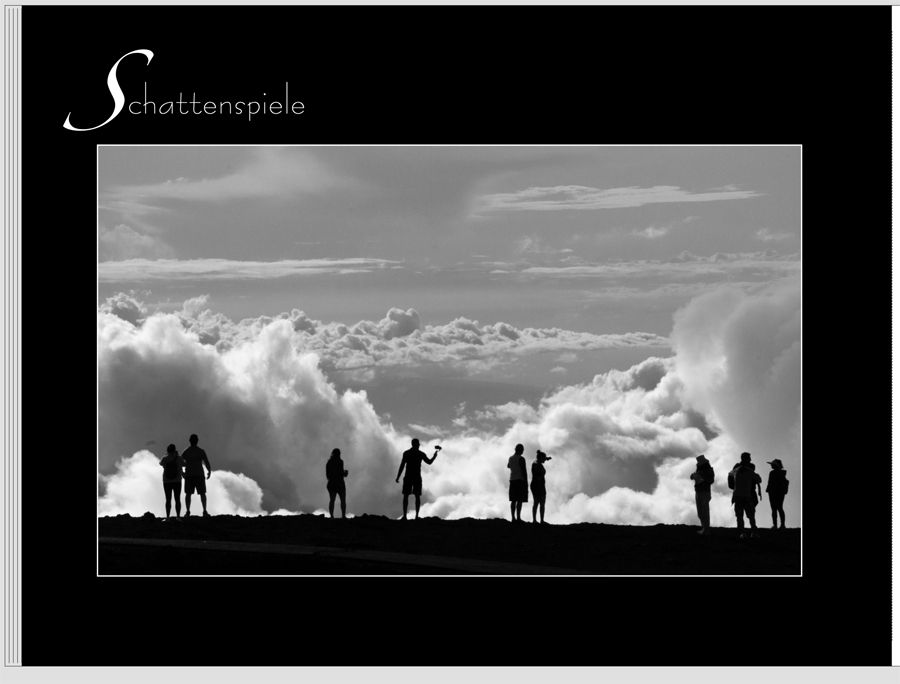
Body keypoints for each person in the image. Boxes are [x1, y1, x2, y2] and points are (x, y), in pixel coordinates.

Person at [395, 439, 440, 520]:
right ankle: (416, 516)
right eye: (418, 444)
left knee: (407, 495)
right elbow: (429, 462)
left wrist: (398, 476)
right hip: (416, 477)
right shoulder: (420, 454)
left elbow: (402, 465)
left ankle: (405, 516)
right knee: (416, 496)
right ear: (415, 444)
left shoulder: (407, 453)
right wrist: (434, 456)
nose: (419, 445)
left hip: (408, 476)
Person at [730, 452, 761, 538]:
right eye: (749, 458)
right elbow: (759, 480)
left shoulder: (736, 470)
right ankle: (754, 532)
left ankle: (743, 533)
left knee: (739, 515)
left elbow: (730, 476)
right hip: (747, 495)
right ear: (746, 459)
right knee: (751, 515)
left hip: (737, 495)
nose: (750, 460)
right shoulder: (750, 471)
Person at [181, 433, 212, 518]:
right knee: (202, 493)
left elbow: (179, 462)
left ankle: (188, 512)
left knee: (188, 494)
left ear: (190, 441)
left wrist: (182, 473)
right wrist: (209, 471)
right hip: (198, 475)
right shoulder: (200, 451)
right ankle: (204, 511)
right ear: (197, 441)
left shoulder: (186, 451)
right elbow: (206, 461)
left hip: (190, 475)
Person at [689, 454, 714, 535]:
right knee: (700, 512)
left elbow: (711, 480)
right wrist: (693, 475)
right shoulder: (699, 469)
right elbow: (692, 477)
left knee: (704, 511)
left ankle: (706, 529)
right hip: (698, 491)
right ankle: (704, 528)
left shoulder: (709, 470)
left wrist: (702, 475)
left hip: (705, 492)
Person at [159, 444, 185, 520]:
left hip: (167, 481)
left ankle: (167, 517)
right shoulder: (179, 458)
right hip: (177, 481)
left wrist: (166, 455)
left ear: (167, 450)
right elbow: (184, 464)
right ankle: (178, 517)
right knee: (177, 499)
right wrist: (177, 455)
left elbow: (160, 463)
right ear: (174, 450)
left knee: (168, 499)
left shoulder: (165, 458)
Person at [765, 459, 789, 529]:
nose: (771, 465)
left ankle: (775, 525)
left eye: (772, 464)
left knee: (774, 509)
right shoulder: (782, 473)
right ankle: (782, 525)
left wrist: (768, 490)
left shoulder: (772, 473)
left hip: (773, 492)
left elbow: (770, 483)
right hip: (780, 493)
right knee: (779, 508)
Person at [507, 444, 528, 523]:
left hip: (512, 480)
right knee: (519, 500)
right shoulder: (521, 459)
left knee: (513, 500)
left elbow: (508, 466)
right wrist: (526, 482)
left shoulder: (510, 458)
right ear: (521, 450)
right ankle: (518, 518)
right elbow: (524, 471)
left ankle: (513, 518)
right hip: (520, 480)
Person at [326, 448, 348, 519]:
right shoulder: (340, 462)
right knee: (343, 500)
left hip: (331, 483)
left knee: (332, 500)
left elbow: (327, 475)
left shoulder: (329, 462)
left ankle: (331, 516)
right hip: (340, 484)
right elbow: (341, 472)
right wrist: (345, 473)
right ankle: (343, 516)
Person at [530, 450, 551, 524]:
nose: (545, 460)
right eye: (544, 458)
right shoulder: (536, 464)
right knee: (538, 502)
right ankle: (537, 520)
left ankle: (539, 520)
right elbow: (538, 477)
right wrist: (542, 475)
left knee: (539, 503)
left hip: (538, 485)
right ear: (541, 458)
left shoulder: (537, 462)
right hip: (537, 485)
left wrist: (546, 458)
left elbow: (540, 460)